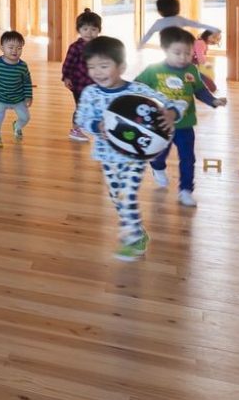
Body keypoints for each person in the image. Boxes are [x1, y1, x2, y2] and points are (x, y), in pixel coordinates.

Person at [73, 36, 182, 261]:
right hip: (107, 156)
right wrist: (96, 125)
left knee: (127, 194)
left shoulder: (137, 90)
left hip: (135, 156)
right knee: (117, 197)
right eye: (92, 67)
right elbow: (81, 118)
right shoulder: (90, 93)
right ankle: (138, 232)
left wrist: (171, 113)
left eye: (104, 66)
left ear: (121, 67)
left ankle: (132, 241)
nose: (97, 72)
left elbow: (170, 102)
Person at [137, 27, 226, 207]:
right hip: (161, 125)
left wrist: (213, 101)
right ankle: (158, 166)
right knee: (161, 153)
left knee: (188, 158)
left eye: (187, 53)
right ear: (165, 50)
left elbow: (200, 90)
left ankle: (186, 190)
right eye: (177, 53)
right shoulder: (153, 70)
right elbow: (137, 87)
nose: (183, 57)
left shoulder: (192, 70)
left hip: (185, 124)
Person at [61, 9, 103, 141]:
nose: (89, 33)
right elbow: (68, 64)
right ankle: (76, 130)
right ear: (79, 30)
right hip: (79, 84)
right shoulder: (76, 47)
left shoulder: (100, 46)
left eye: (93, 29)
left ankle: (99, 129)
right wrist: (66, 77)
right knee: (81, 107)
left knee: (98, 106)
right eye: (85, 29)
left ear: (98, 30)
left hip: (96, 83)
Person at [135, 0, 218, 50]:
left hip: (168, 47)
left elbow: (149, 34)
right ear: (178, 8)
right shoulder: (180, 19)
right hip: (182, 45)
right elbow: (197, 24)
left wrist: (141, 44)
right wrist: (213, 29)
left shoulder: (159, 23)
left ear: (160, 11)